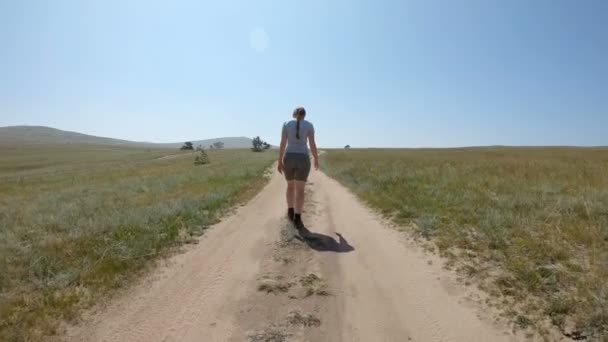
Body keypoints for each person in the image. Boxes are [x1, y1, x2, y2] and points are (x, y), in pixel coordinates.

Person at [277, 106, 319, 229]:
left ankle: (290, 211)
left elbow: (282, 143)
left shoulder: (286, 124)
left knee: (290, 186)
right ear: (304, 115)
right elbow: (312, 143)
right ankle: (298, 217)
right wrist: (316, 158)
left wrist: (280, 161)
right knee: (300, 190)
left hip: (289, 157)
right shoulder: (309, 125)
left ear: (294, 114)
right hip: (303, 158)